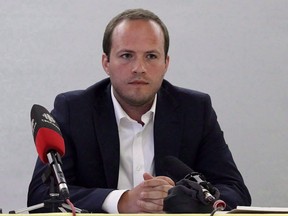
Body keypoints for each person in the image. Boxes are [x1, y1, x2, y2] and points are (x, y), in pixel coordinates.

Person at [27, 8, 251, 213]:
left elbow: (235, 191)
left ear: (166, 63)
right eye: (127, 56)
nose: (139, 68)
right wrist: (122, 201)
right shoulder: (74, 110)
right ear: (106, 62)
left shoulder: (194, 110)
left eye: (151, 56)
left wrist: (192, 201)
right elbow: (41, 196)